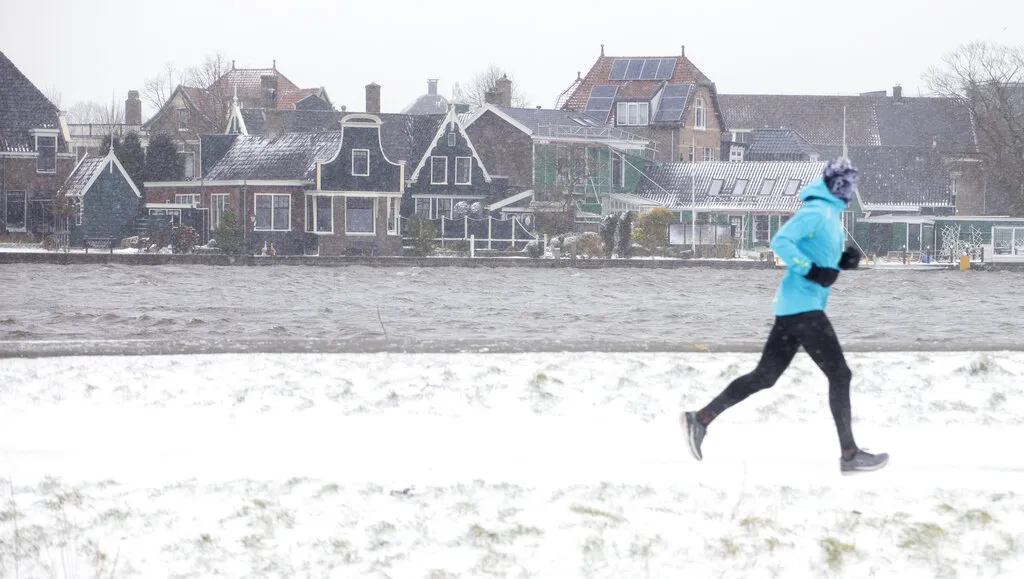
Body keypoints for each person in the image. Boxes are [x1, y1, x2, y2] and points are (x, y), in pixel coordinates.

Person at [680, 157, 888, 475]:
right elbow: (781, 241)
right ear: (838, 185)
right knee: (840, 374)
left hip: (795, 308)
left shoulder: (830, 213)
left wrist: (841, 262)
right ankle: (849, 454)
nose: (851, 189)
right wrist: (811, 270)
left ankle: (701, 418)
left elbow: (820, 258)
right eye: (848, 183)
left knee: (765, 376)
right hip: (803, 309)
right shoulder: (817, 211)